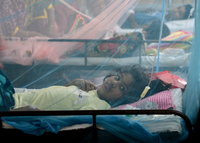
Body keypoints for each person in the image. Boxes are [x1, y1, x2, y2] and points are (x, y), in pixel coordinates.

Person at [0, 65, 171, 111]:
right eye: (117, 78)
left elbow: (66, 117)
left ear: (124, 98)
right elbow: (53, 95)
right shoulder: (89, 89)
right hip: (12, 96)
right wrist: (72, 84)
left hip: (13, 108)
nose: (114, 82)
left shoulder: (100, 107)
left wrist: (21, 113)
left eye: (122, 87)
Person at [121, 4, 193, 29]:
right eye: (178, 8)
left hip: (124, 22)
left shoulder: (160, 22)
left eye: (179, 13)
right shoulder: (165, 14)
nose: (175, 11)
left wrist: (131, 15)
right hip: (125, 17)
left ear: (179, 20)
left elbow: (136, 28)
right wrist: (148, 11)